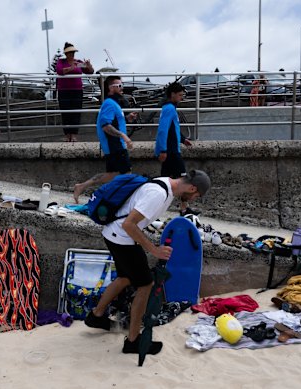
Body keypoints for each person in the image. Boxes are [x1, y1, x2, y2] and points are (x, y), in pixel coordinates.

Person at [84, 169, 211, 355]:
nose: (193, 199)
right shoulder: (158, 194)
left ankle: (96, 316)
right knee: (146, 285)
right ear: (191, 187)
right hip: (122, 238)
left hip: (114, 235)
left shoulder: (165, 184)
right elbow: (129, 224)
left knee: (126, 277)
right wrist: (154, 249)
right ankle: (133, 342)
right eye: (196, 195)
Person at [72, 76, 137, 203]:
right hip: (115, 144)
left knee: (112, 174)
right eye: (119, 86)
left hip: (114, 144)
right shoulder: (109, 104)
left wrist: (128, 118)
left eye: (121, 85)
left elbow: (113, 122)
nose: (122, 88)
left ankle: (81, 186)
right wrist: (123, 136)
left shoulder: (113, 103)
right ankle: (120, 201)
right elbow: (106, 126)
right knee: (126, 173)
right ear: (110, 88)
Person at [154, 82, 199, 216]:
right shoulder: (169, 108)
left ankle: (156, 207)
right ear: (172, 94)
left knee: (164, 181)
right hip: (171, 152)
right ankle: (184, 209)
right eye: (180, 95)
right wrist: (163, 150)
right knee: (184, 180)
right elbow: (163, 130)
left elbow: (172, 129)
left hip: (171, 151)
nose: (181, 98)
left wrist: (183, 139)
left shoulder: (169, 108)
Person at [56, 42, 94, 142]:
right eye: (70, 52)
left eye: (73, 52)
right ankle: (67, 134)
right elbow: (59, 71)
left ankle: (74, 135)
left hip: (77, 91)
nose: (72, 54)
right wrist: (71, 68)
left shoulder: (78, 62)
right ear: (66, 53)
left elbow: (90, 72)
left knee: (76, 112)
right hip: (64, 91)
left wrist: (89, 66)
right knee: (65, 113)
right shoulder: (61, 61)